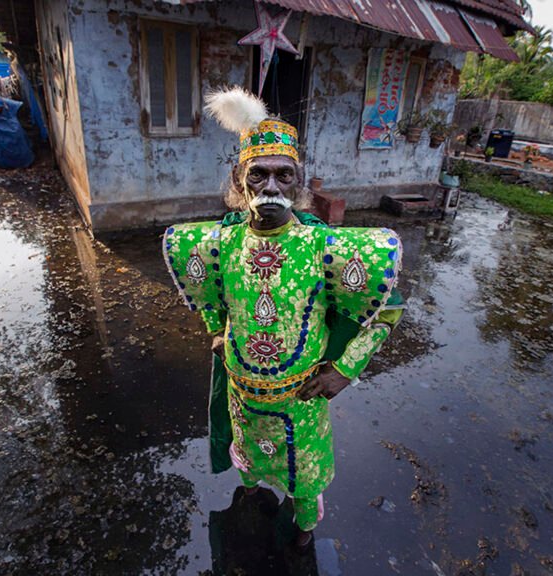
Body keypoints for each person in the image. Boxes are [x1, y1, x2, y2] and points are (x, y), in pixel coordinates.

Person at [163, 87, 405, 547]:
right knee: (251, 464)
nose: (270, 187)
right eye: (258, 175)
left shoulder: (326, 246)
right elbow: (211, 295)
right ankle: (251, 491)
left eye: (283, 175)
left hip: (301, 398)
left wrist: (344, 369)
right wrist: (217, 331)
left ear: (300, 182)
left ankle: (303, 532)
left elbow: (387, 308)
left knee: (304, 481)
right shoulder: (219, 243)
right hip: (242, 390)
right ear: (239, 180)